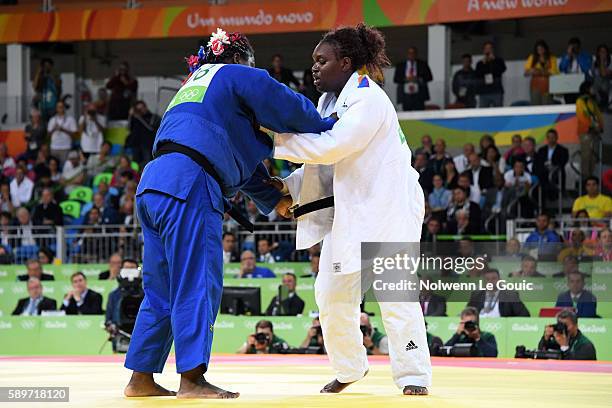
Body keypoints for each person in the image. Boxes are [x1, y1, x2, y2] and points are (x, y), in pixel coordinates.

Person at [124, 28, 336, 400]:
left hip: (154, 184)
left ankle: (140, 378)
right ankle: (192, 379)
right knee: (196, 282)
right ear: (241, 59)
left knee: (161, 288)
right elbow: (284, 103)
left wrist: (275, 199)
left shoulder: (193, 86)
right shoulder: (234, 73)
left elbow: (227, 152)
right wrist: (329, 126)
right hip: (190, 186)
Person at [273, 24, 431, 395]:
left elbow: (332, 147)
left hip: (390, 212)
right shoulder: (328, 101)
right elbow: (321, 167)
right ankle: (349, 368)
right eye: (314, 61)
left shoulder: (367, 98)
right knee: (330, 294)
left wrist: (272, 142)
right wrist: (290, 188)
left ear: (345, 63)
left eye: (321, 60)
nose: (313, 67)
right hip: (352, 214)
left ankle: (413, 376)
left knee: (396, 298)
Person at [576, 81, 604, 179]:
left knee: (593, 157)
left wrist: (600, 127)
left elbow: (599, 115)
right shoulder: (580, 101)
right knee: (586, 155)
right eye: (592, 88)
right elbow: (582, 117)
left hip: (594, 133)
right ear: (587, 89)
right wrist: (592, 126)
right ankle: (585, 179)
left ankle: (591, 178)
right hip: (585, 132)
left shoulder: (593, 101)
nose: (594, 90)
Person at [393, 46, 433, 111]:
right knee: (407, 113)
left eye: (413, 53)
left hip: (419, 95)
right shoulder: (400, 65)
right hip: (405, 95)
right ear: (407, 54)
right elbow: (396, 79)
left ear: (416, 54)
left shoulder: (422, 64)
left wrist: (418, 79)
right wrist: (406, 79)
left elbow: (429, 77)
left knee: (419, 112)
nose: (411, 55)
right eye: (410, 53)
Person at [535, 129, 569, 200]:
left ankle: (555, 194)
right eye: (549, 137)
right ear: (547, 138)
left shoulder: (563, 150)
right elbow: (538, 162)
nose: (551, 139)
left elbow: (562, 162)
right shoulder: (541, 150)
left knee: (557, 173)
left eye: (553, 137)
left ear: (556, 138)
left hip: (556, 172)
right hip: (544, 171)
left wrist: (553, 166)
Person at [524, 40, 559, 105]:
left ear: (545, 49)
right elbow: (526, 73)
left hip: (548, 86)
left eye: (541, 49)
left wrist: (538, 71)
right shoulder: (532, 57)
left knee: (547, 105)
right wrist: (532, 71)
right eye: (538, 49)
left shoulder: (552, 58)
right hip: (535, 86)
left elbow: (554, 72)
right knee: (535, 106)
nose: (540, 51)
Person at [559, 37, 592, 103]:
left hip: (583, 83)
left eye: (575, 47)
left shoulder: (586, 55)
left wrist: (577, 55)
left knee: (582, 103)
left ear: (579, 47)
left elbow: (586, 68)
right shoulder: (566, 56)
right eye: (572, 47)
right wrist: (568, 55)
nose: (574, 49)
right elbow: (561, 68)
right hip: (569, 83)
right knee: (570, 103)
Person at [127, 100, 161, 166]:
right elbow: (129, 128)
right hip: (136, 144)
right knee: (135, 164)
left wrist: (139, 117)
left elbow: (150, 128)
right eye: (138, 109)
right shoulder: (135, 118)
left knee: (147, 163)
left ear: (145, 107)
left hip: (147, 144)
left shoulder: (152, 117)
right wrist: (130, 116)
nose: (140, 111)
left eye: (141, 108)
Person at [475, 41, 506, 107]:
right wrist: (483, 64)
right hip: (484, 92)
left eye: (489, 48)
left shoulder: (499, 60)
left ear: (492, 50)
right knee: (483, 112)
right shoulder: (480, 63)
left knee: (498, 111)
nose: (488, 50)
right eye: (486, 48)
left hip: (496, 91)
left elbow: (502, 69)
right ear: (483, 51)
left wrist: (494, 60)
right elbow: (477, 75)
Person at [33, 58, 61, 122]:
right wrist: (38, 72)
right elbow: (35, 87)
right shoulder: (41, 78)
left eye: (48, 65)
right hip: (43, 107)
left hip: (53, 106)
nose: (46, 67)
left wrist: (50, 73)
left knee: (53, 124)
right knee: (44, 126)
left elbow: (58, 84)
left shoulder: (56, 76)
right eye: (44, 66)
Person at [592, 44, 611, 110]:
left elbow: (603, 74)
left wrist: (602, 61)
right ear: (598, 53)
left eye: (604, 52)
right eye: (601, 52)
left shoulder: (610, 63)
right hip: (597, 88)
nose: (602, 54)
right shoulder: (594, 63)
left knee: (604, 82)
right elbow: (593, 76)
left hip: (607, 87)